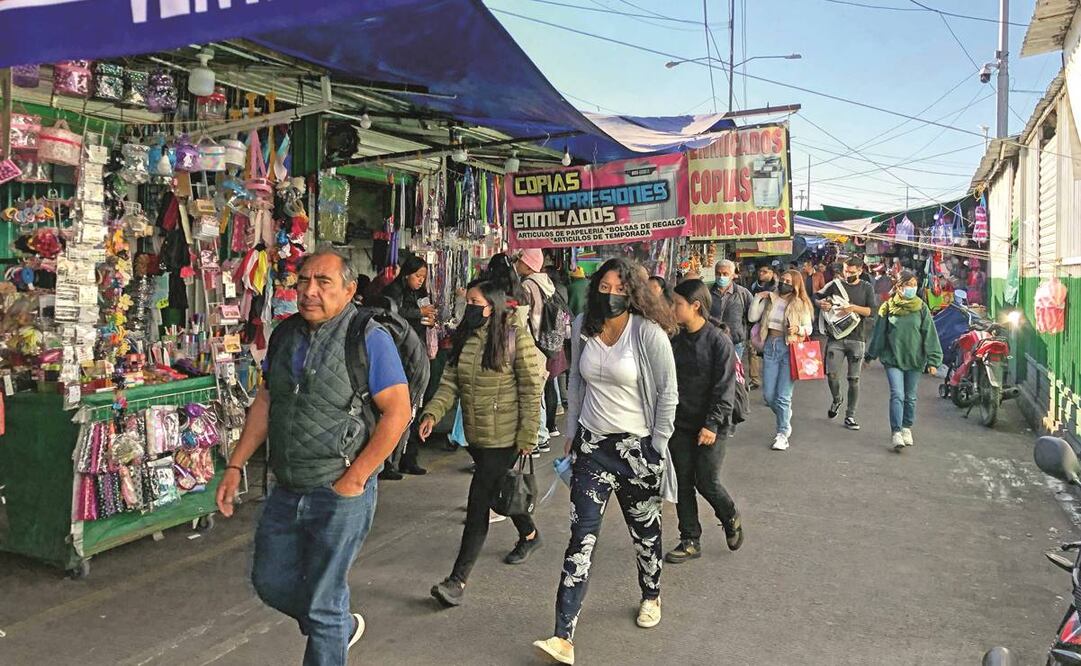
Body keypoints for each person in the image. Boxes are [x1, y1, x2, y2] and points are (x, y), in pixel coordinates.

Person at [216, 250, 412, 666]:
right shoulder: (285, 335)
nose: (309, 292)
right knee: (270, 581)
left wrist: (356, 478)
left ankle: (330, 629)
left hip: (339, 489)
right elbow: (266, 400)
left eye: (323, 282)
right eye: (303, 281)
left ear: (349, 290)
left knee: (323, 601)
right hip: (287, 486)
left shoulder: (368, 337)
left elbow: (398, 411)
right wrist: (236, 464)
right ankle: (337, 628)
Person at [533, 258, 678, 666]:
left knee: (645, 534)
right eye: (605, 287)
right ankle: (563, 636)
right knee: (581, 539)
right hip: (592, 448)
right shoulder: (583, 326)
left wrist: (657, 446)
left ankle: (651, 594)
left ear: (632, 293)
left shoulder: (647, 333)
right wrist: (571, 432)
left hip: (638, 450)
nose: (611, 295)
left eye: (620, 289)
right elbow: (576, 381)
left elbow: (668, 394)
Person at [418, 280, 545, 606]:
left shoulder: (515, 336)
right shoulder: (467, 338)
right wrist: (433, 413)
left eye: (474, 302)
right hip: (477, 435)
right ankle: (529, 534)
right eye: (468, 301)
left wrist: (528, 435)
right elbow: (451, 381)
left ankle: (457, 581)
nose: (468, 307)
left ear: (494, 306)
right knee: (500, 489)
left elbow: (532, 387)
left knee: (479, 502)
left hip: (504, 438)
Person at [664, 279, 743, 565]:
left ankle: (730, 515)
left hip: (713, 424)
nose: (673, 308)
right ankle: (689, 539)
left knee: (707, 482)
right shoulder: (675, 339)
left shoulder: (718, 340)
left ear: (695, 306)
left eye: (678, 304)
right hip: (680, 424)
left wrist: (711, 424)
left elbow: (725, 388)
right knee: (683, 482)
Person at [866, 271, 943, 452]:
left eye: (914, 285)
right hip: (893, 359)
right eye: (908, 285)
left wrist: (933, 361)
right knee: (897, 394)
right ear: (899, 287)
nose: (912, 288)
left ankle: (907, 426)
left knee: (910, 396)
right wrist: (870, 356)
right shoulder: (887, 308)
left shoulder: (921, 308)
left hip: (915, 360)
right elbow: (879, 335)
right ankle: (896, 432)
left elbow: (929, 335)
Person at [379, 254, 437, 477]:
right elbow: (391, 315)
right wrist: (417, 313)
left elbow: (428, 314)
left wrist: (430, 318)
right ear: (406, 274)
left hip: (417, 353)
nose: (421, 280)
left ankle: (408, 458)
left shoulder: (421, 294)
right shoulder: (393, 292)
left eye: (423, 276)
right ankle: (387, 461)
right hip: (398, 355)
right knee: (396, 408)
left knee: (415, 407)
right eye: (417, 275)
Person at [748, 269, 813, 451]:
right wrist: (758, 298)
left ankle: (782, 433)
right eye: (782, 280)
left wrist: (798, 330)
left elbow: (808, 328)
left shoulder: (800, 303)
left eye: (788, 281)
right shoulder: (771, 298)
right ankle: (785, 415)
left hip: (790, 349)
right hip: (770, 346)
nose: (784, 283)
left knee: (783, 396)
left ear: (795, 285)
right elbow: (752, 317)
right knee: (769, 396)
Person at [816, 256, 876, 431]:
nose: (847, 273)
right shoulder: (835, 285)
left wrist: (853, 308)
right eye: (845, 270)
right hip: (836, 337)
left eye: (851, 271)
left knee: (854, 379)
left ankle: (850, 415)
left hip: (857, 338)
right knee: (832, 374)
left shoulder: (867, 288)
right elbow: (816, 297)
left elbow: (872, 311)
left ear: (859, 271)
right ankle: (837, 399)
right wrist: (821, 304)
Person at [516, 248, 558, 450]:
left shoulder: (527, 285)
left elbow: (528, 317)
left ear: (529, 263)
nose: (517, 264)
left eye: (521, 260)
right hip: (545, 341)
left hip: (533, 341)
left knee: (533, 389)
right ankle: (542, 433)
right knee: (539, 386)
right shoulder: (546, 282)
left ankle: (539, 435)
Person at [746, 263, 779, 390]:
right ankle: (755, 379)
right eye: (760, 271)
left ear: (772, 273)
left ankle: (771, 382)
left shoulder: (777, 287)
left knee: (770, 354)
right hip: (756, 323)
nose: (761, 274)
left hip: (772, 325)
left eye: (764, 271)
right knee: (752, 350)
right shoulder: (754, 284)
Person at [709, 259, 751, 357]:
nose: (721, 277)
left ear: (732, 275)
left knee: (733, 371)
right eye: (718, 273)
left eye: (725, 274)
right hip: (712, 341)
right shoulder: (708, 292)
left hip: (735, 342)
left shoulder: (742, 293)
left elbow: (751, 316)